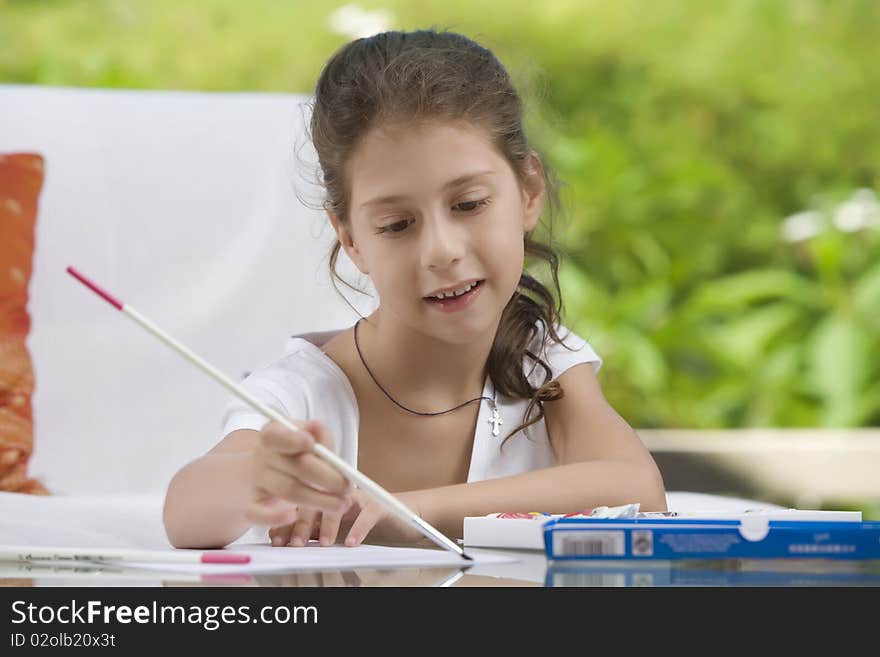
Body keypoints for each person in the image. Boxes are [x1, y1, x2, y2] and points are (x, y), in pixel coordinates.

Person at [163, 28, 667, 550]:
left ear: (528, 191)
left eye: (469, 204)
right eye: (398, 225)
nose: (442, 251)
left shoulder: (540, 359)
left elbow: (637, 488)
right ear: (351, 238)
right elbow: (185, 514)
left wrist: (407, 511)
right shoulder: (306, 393)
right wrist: (256, 476)